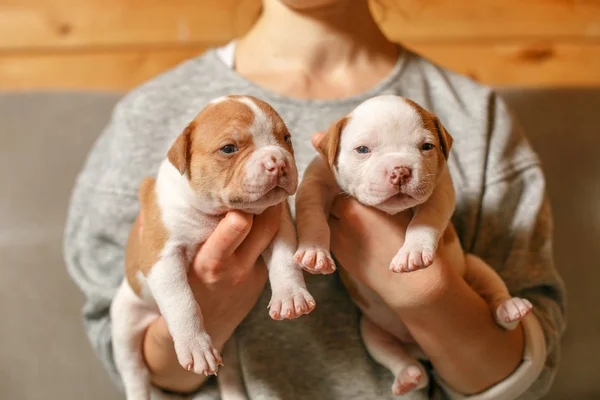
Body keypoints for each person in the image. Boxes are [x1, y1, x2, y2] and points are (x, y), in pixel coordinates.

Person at [64, 0, 565, 398]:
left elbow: (530, 352)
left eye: (282, 141)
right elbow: (119, 337)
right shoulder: (151, 113)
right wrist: (201, 316)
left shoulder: (474, 114)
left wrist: (428, 295)